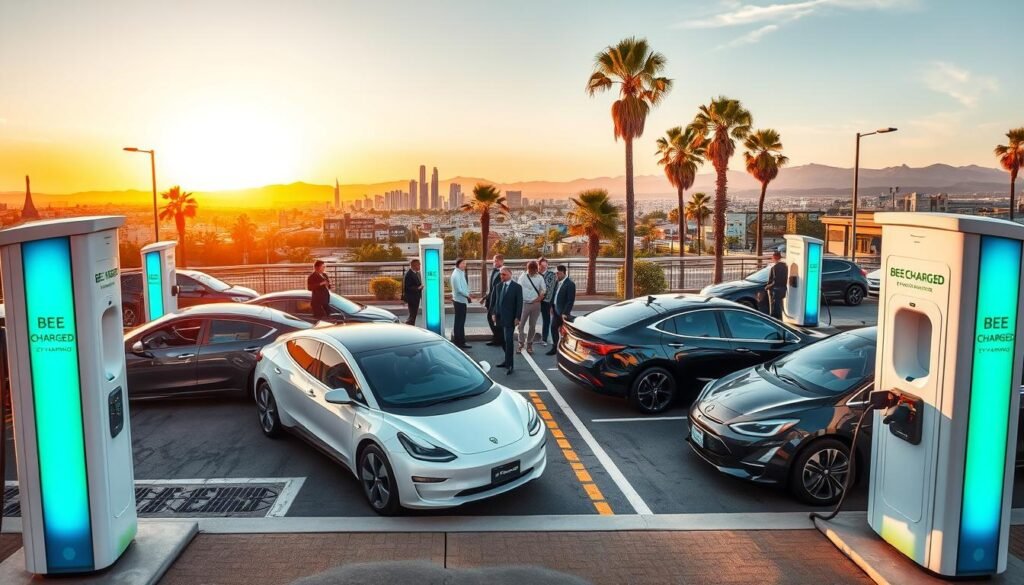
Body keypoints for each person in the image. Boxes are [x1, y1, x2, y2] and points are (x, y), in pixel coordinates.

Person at [492, 266, 522, 375]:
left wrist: (518, 317)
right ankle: (506, 361)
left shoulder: (517, 287)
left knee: (509, 341)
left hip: (510, 319)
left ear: (510, 274)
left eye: (504, 274)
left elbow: (519, 304)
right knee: (503, 340)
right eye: (500, 274)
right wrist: (494, 313)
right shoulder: (498, 286)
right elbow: (495, 301)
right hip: (499, 318)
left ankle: (510, 365)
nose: (501, 276)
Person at [516, 260, 547, 354]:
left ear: (536, 269)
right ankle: (521, 343)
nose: (531, 272)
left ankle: (529, 344)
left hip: (535, 304)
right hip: (524, 304)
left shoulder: (540, 278)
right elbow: (518, 288)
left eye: (533, 270)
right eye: (530, 270)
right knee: (520, 325)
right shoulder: (523, 276)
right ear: (527, 268)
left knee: (532, 326)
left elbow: (543, 289)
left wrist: (539, 298)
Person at [546, 265, 576, 356]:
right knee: (553, 328)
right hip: (555, 310)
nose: (556, 275)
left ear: (563, 272)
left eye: (558, 273)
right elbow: (554, 295)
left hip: (563, 312)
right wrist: (551, 306)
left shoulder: (570, 284)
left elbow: (570, 300)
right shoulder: (557, 282)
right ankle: (555, 347)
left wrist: (565, 313)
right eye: (556, 273)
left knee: (565, 332)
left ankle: (568, 349)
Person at [481, 254, 505, 347]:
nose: (494, 262)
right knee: (491, 319)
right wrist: (485, 297)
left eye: (496, 261)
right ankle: (497, 338)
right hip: (490, 299)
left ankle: (499, 339)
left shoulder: (503, 272)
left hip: (497, 300)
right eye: (494, 260)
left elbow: (499, 289)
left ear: (501, 261)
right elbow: (491, 288)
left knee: (494, 319)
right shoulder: (493, 271)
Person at [449, 258, 472, 349]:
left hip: (460, 300)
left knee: (460, 322)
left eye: (465, 263)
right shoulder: (456, 274)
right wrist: (467, 296)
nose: (464, 265)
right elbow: (458, 289)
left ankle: (460, 341)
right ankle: (459, 342)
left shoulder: (459, 273)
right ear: (458, 264)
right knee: (459, 322)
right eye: (463, 263)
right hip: (459, 300)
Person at [537, 257, 557, 347]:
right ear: (538, 265)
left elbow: (550, 289)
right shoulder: (534, 275)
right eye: (542, 265)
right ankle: (529, 338)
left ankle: (544, 338)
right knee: (531, 319)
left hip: (546, 301)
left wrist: (542, 298)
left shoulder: (551, 275)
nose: (544, 267)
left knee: (546, 320)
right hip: (535, 300)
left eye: (546, 265)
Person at [765, 251, 788, 319]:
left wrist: (767, 287)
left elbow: (775, 281)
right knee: (779, 307)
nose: (772, 258)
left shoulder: (775, 267)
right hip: (782, 289)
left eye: (773, 257)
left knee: (774, 309)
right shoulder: (785, 266)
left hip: (775, 290)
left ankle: (775, 322)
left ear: (775, 257)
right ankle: (779, 320)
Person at [403, 258, 424, 326]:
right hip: (412, 298)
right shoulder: (409, 274)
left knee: (413, 315)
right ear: (414, 266)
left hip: (416, 297)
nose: (420, 266)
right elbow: (407, 287)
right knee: (412, 315)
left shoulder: (416, 273)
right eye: (419, 265)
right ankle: (409, 326)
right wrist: (418, 288)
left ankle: (410, 326)